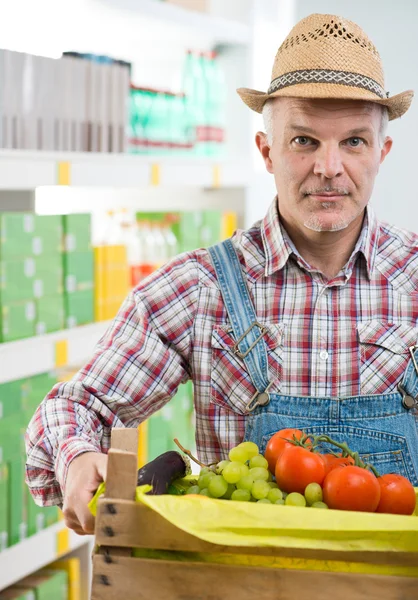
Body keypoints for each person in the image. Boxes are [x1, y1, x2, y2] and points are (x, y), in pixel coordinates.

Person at [26, 13, 418, 535]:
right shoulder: (200, 288)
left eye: (353, 141)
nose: (329, 167)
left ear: (381, 153)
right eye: (303, 141)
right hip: (238, 581)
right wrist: (76, 455)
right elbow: (77, 404)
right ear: (266, 152)